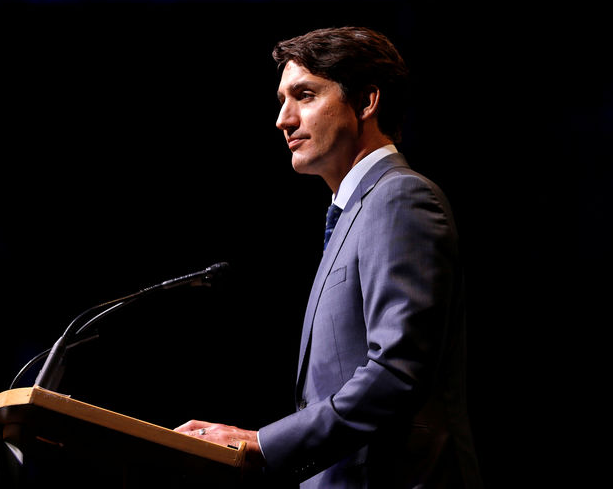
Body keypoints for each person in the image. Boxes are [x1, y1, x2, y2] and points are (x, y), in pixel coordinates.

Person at [175, 26, 482, 488]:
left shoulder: (400, 199)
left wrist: (264, 442)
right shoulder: (354, 213)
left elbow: (396, 372)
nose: (283, 118)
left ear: (366, 102)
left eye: (304, 95)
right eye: (282, 99)